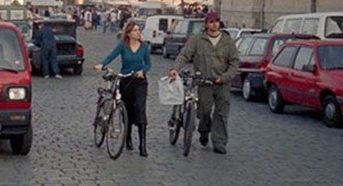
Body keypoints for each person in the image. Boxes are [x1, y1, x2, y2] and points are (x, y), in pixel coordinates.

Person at [168, 10, 239, 153]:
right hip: (204, 82)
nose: (214, 24)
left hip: (222, 83)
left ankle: (219, 143)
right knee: (204, 111)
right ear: (206, 24)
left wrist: (225, 77)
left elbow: (234, 63)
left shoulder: (228, 41)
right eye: (211, 22)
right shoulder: (198, 40)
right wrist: (175, 69)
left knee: (221, 114)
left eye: (216, 21)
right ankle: (204, 130)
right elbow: (184, 55)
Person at [95, 19, 152, 156]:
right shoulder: (123, 46)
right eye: (135, 30)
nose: (138, 33)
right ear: (128, 33)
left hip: (139, 81)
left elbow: (148, 64)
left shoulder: (144, 47)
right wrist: (101, 65)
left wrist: (142, 71)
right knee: (127, 110)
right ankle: (128, 137)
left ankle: (143, 145)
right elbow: (111, 56)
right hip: (126, 81)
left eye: (139, 30)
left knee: (140, 107)